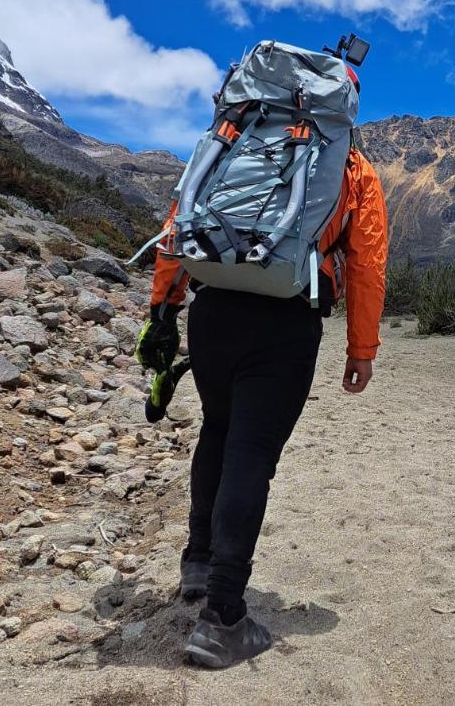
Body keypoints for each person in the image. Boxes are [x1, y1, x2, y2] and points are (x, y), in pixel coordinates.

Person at [135, 72, 388, 669]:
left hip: (214, 309)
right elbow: (367, 264)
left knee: (217, 433)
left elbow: (180, 220)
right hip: (285, 324)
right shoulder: (350, 169)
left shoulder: (229, 140)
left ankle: (199, 562)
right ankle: (223, 615)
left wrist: (164, 307)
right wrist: (362, 348)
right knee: (251, 454)